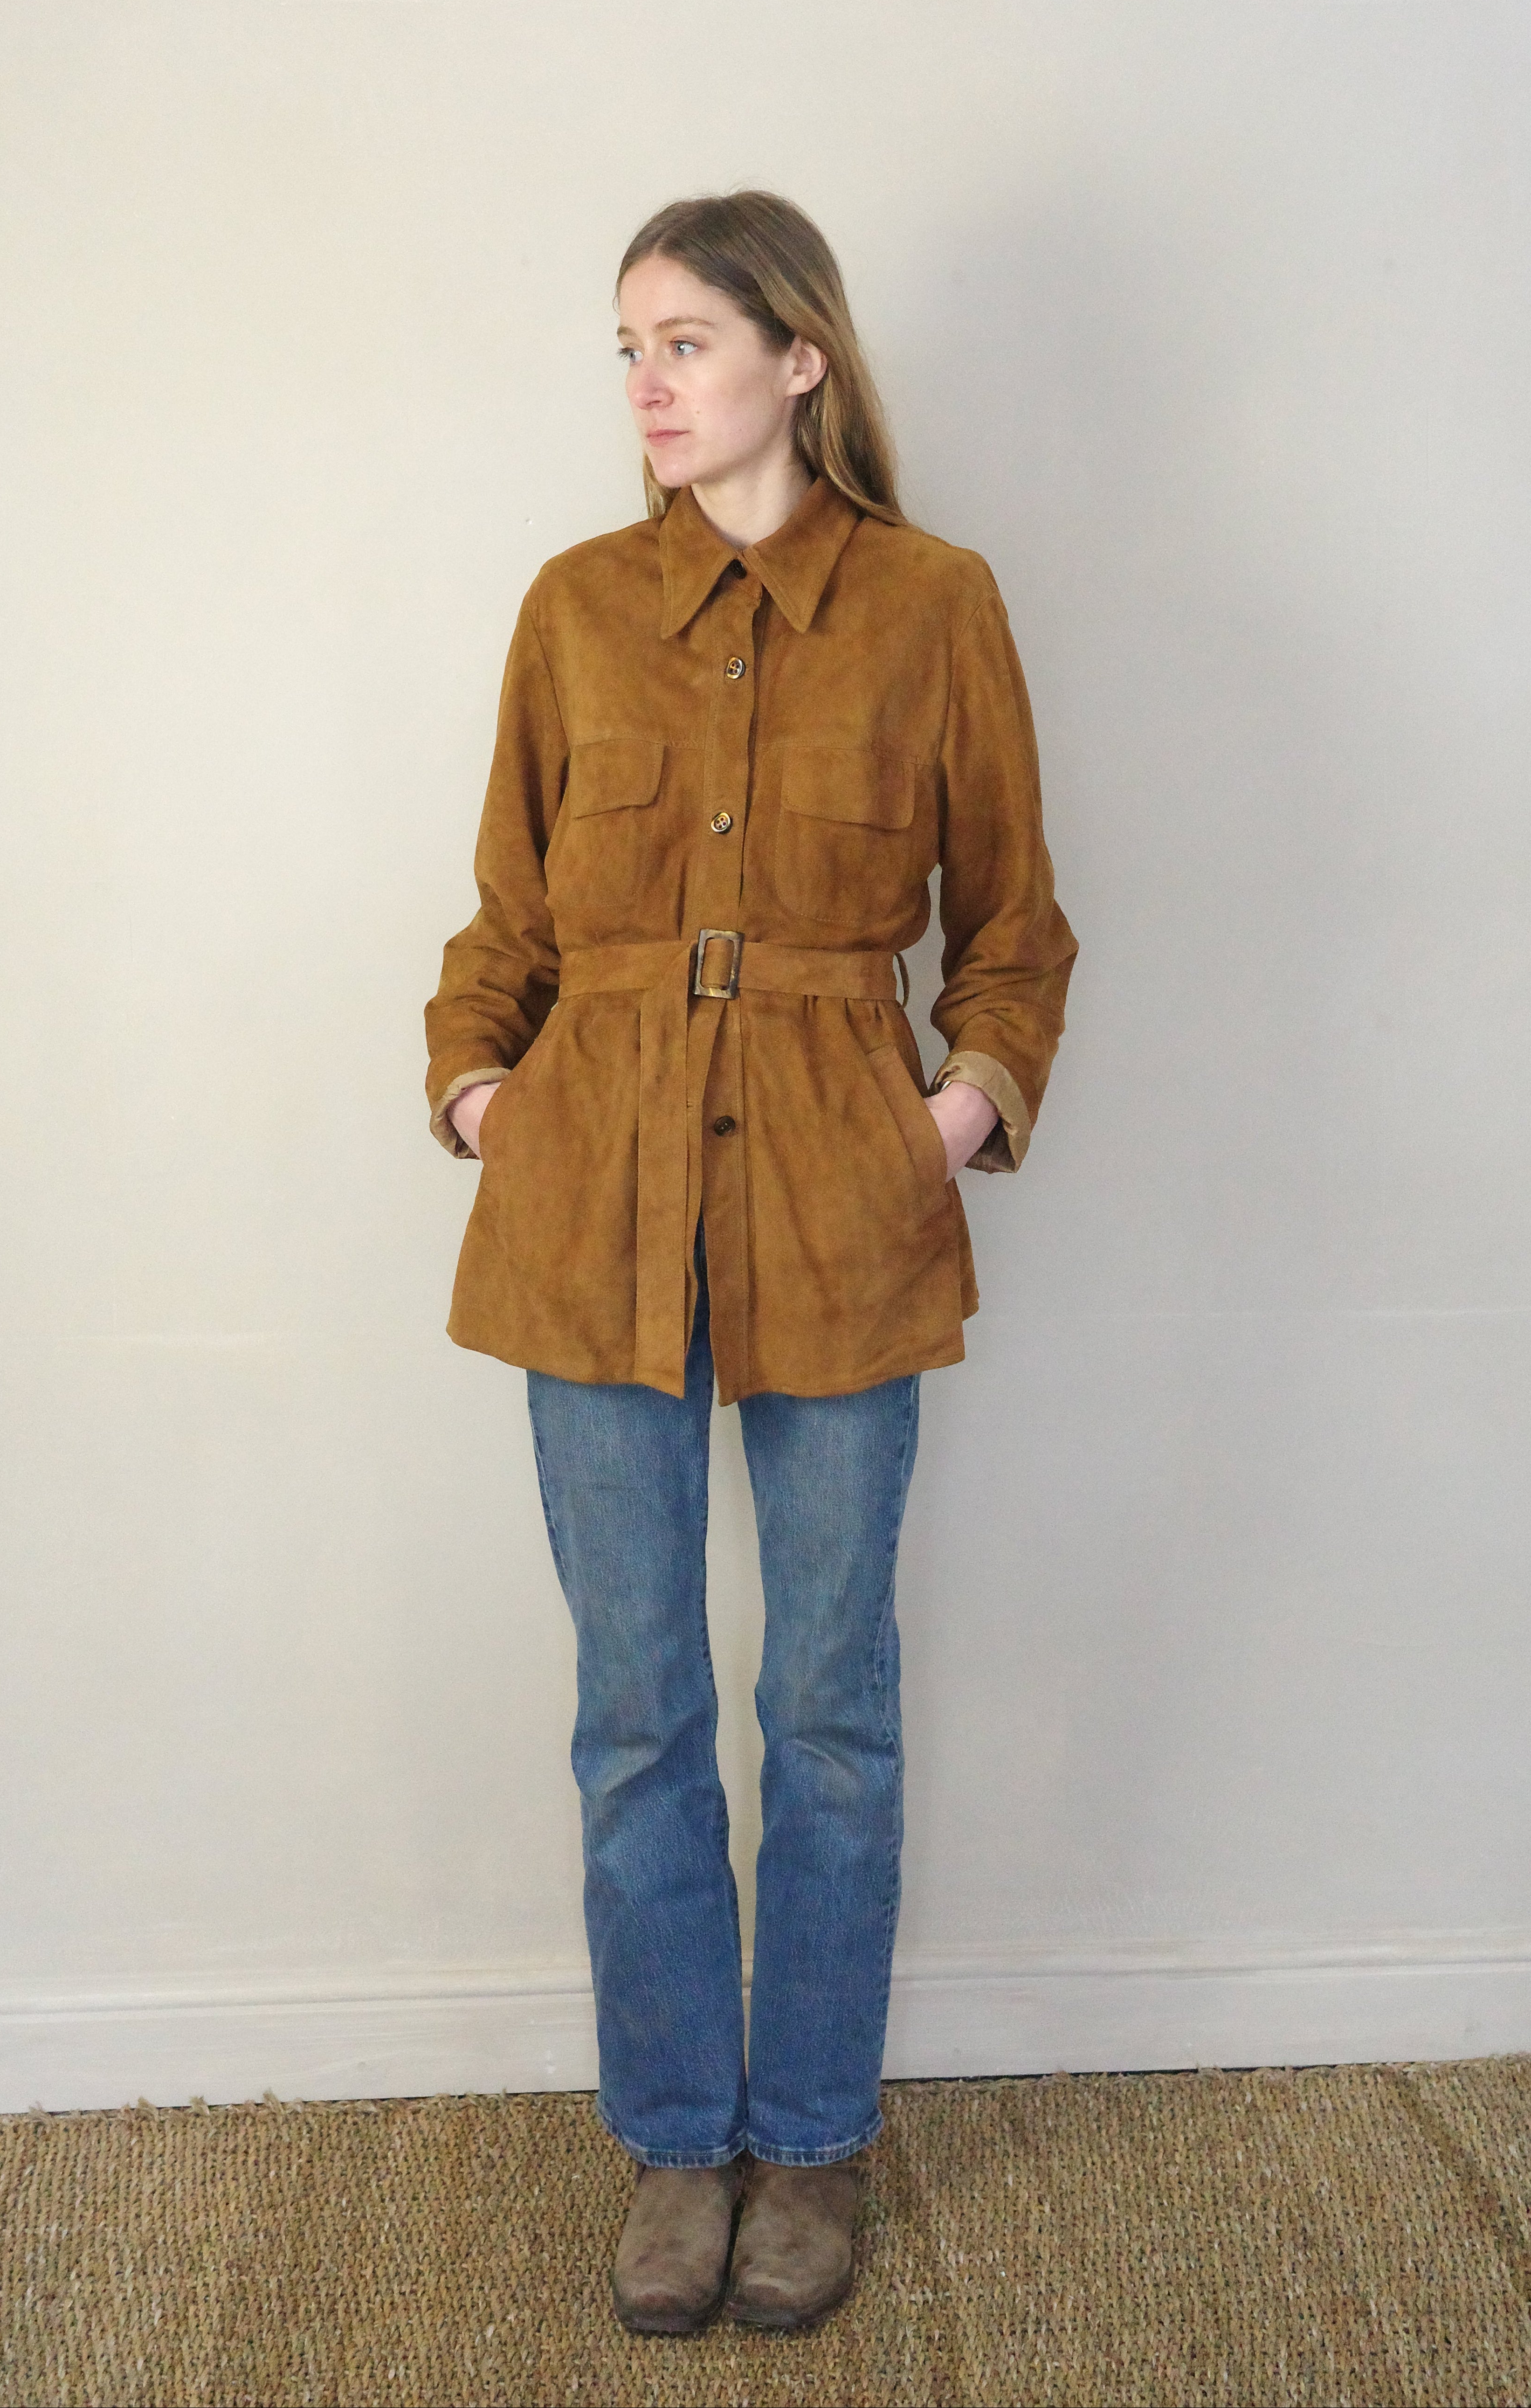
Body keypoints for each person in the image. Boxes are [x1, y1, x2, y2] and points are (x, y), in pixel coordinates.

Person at [424, 190, 1076, 2337]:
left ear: (802, 357)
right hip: (587, 1202)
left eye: (686, 341)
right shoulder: (575, 609)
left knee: (830, 1711)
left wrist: (947, 1117)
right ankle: (675, 2143)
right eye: (627, 345)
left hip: (835, 1199)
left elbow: (1016, 928)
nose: (647, 383)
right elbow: (509, 919)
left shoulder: (933, 605)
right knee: (636, 1714)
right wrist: (482, 1094)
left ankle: (809, 2142)